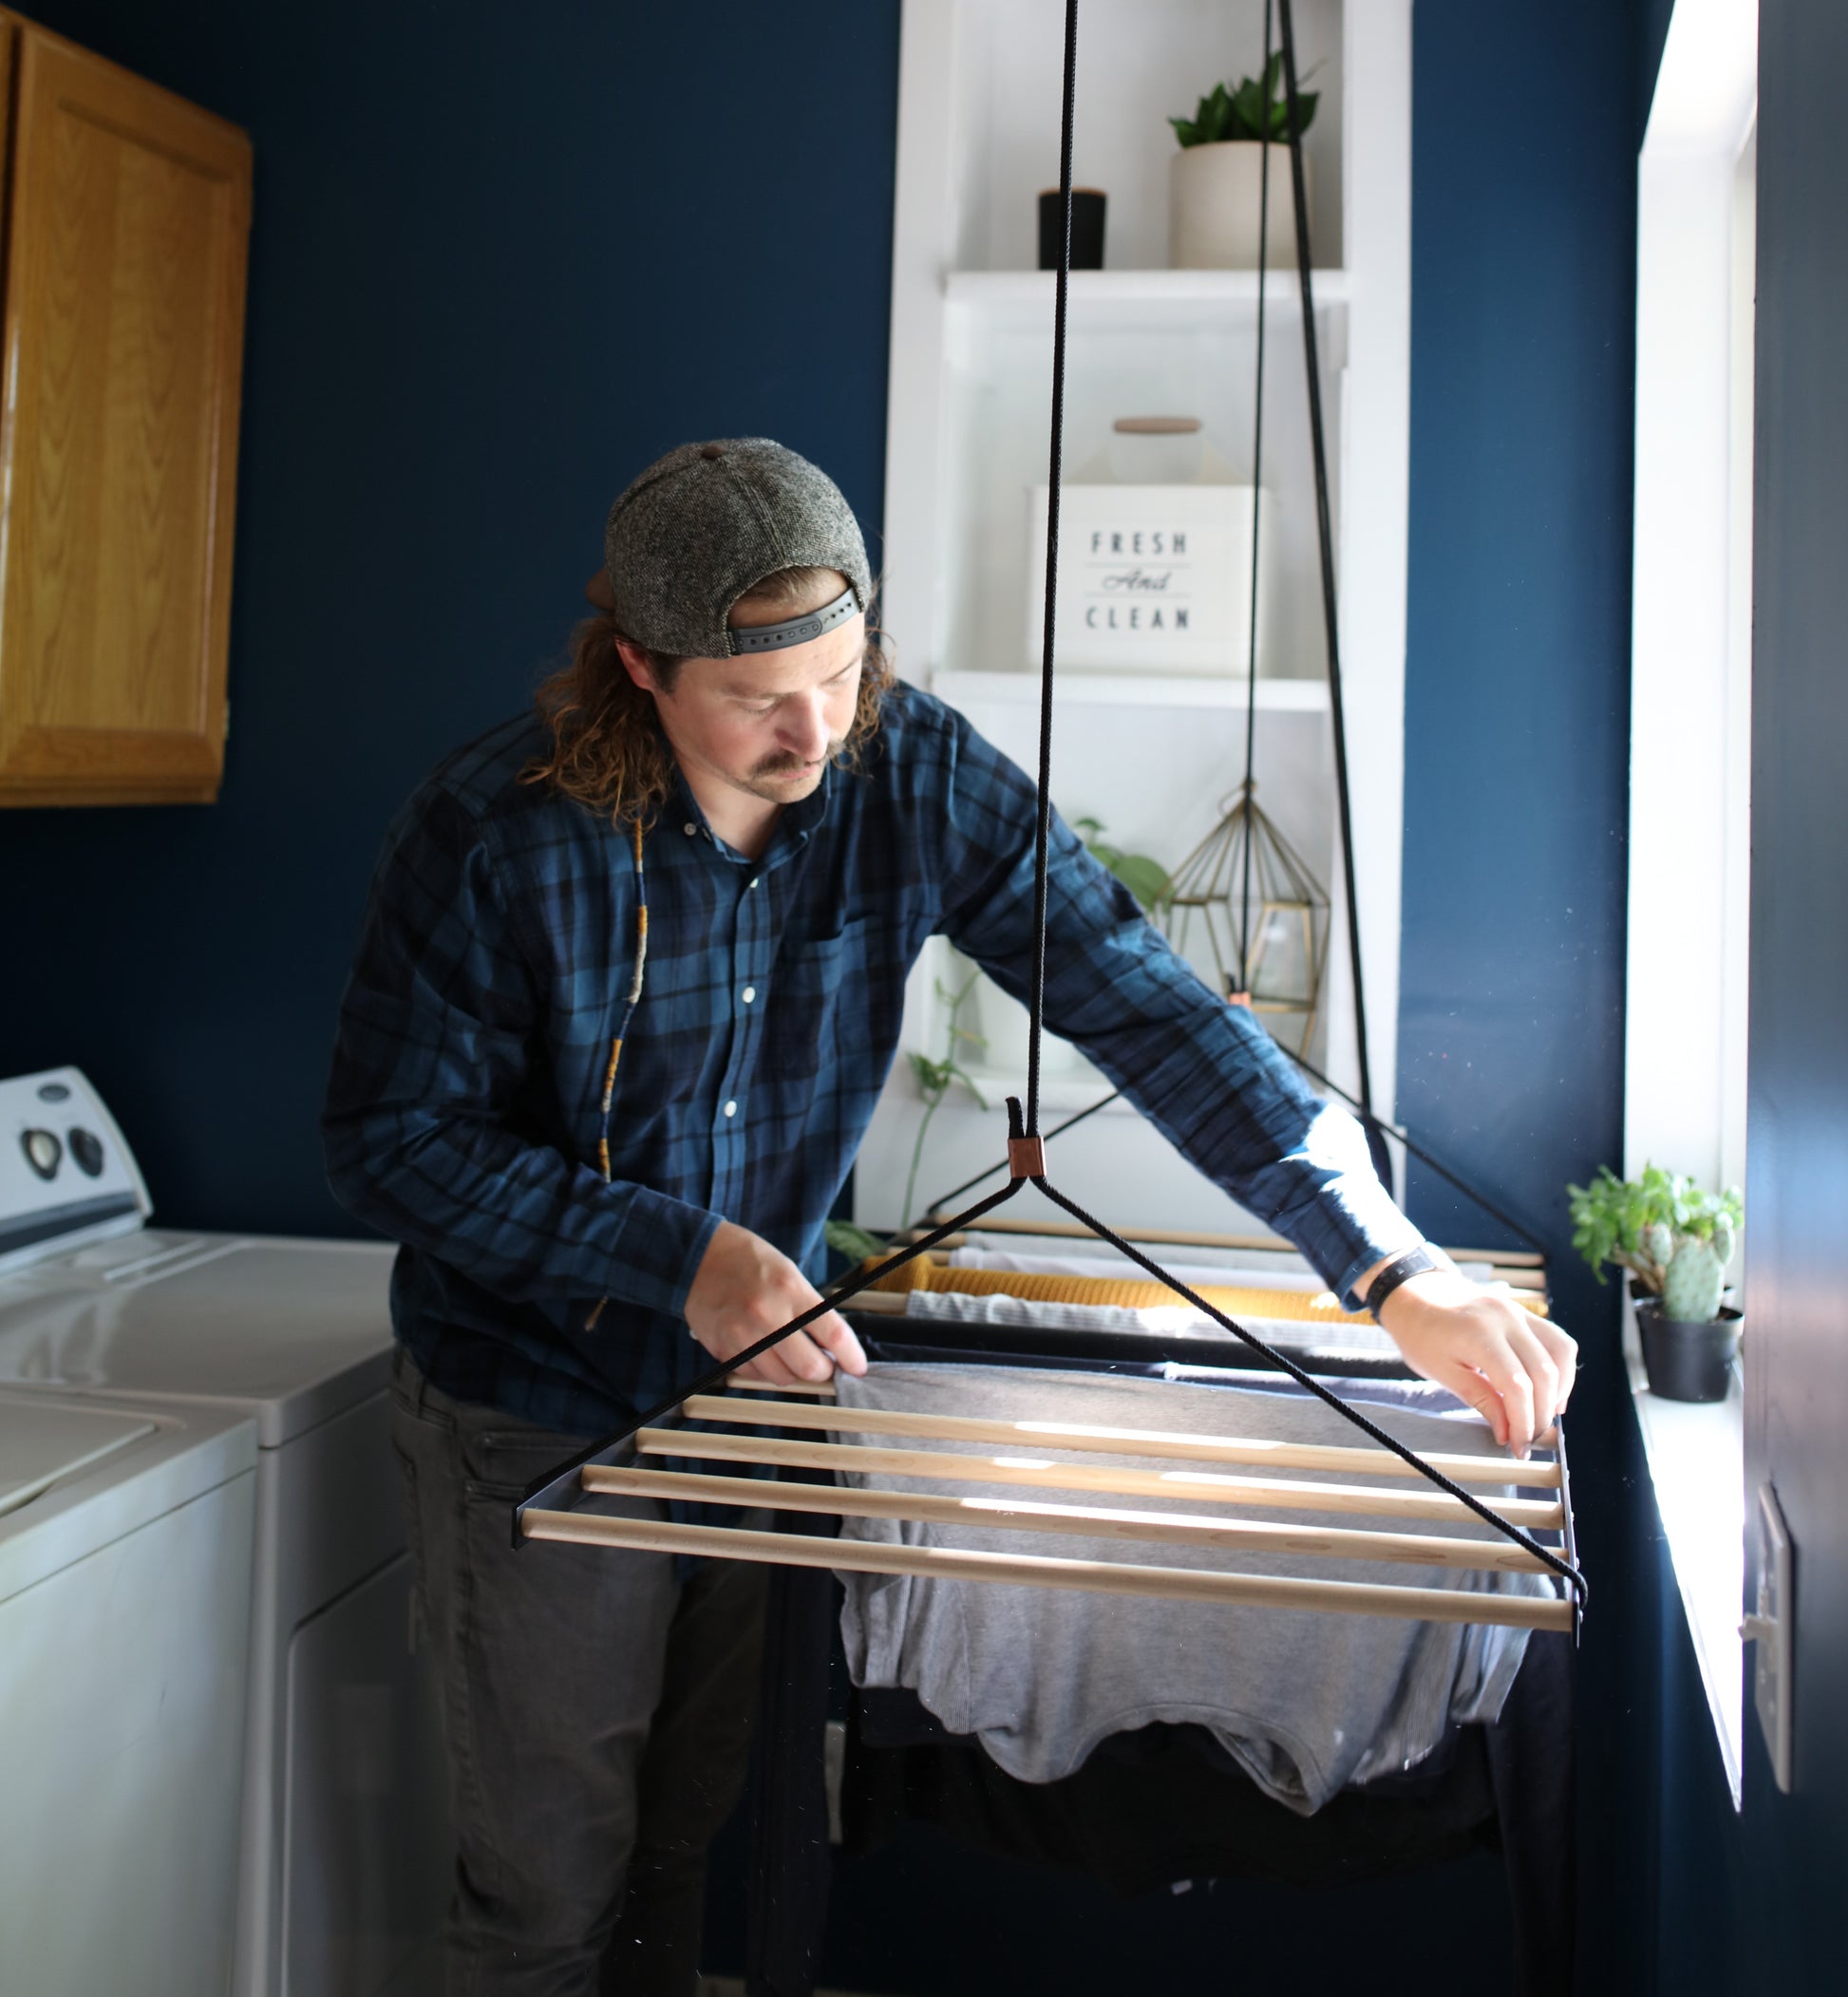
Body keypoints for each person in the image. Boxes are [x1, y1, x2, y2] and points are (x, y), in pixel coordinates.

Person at [326, 436, 1575, 1997]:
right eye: (754, 695)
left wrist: (1389, 1271)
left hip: (750, 1407)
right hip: (530, 1406)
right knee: (543, 1904)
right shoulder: (496, 832)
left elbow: (1155, 1013)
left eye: (841, 675)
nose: (813, 730)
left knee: (677, 1855)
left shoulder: (908, 769)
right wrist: (679, 1257)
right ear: (638, 667)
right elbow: (389, 1142)